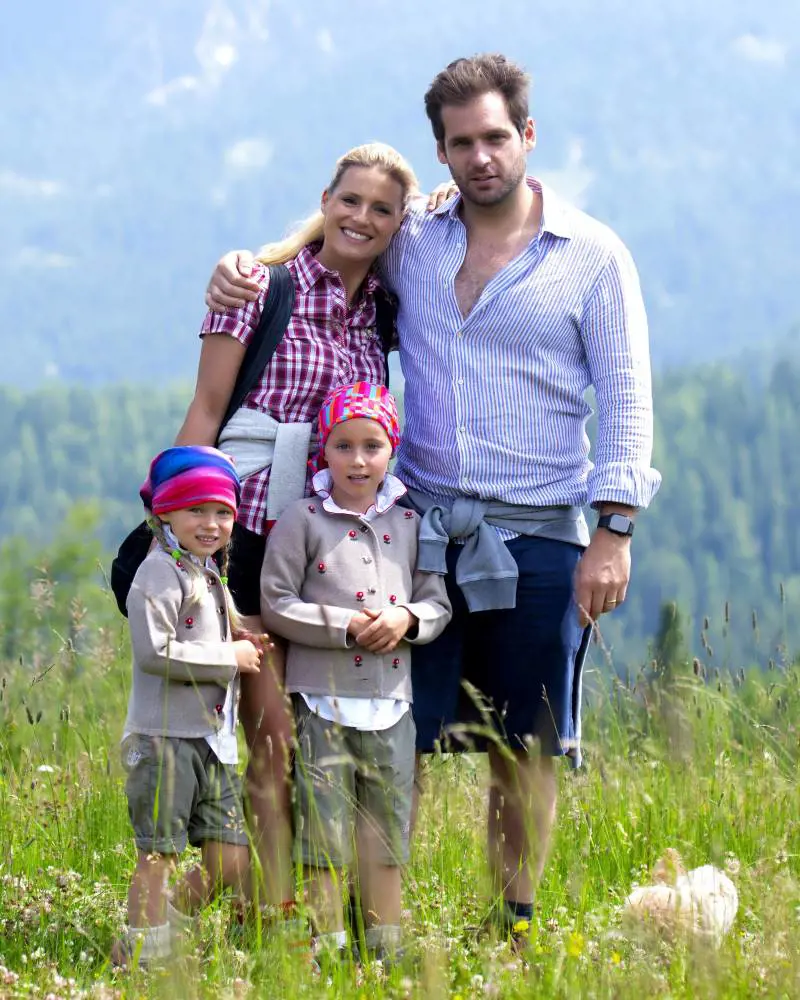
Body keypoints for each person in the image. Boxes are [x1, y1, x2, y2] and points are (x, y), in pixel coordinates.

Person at [204, 53, 661, 944]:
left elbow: (629, 397)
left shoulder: (595, 256)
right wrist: (243, 266)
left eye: (497, 136)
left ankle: (514, 920)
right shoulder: (417, 235)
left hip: (541, 533)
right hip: (412, 529)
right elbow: (343, 231)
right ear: (443, 154)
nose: (482, 155)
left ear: (528, 136)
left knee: (523, 745)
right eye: (462, 143)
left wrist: (615, 531)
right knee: (382, 732)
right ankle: (363, 923)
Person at [174, 142, 420, 921]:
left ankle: (310, 907)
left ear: (396, 225)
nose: (362, 218)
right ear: (325, 199)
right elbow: (205, 419)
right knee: (273, 738)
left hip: (330, 548)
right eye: (350, 201)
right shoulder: (261, 287)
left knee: (328, 742)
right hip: (247, 531)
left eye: (382, 209)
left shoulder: (380, 310)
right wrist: (188, 557)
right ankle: (279, 918)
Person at [259, 382, 451, 964]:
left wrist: (406, 618)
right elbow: (276, 601)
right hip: (323, 701)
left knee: (386, 827)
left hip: (392, 701)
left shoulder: (413, 522)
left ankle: (384, 945)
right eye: (344, 446)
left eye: (372, 445)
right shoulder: (303, 520)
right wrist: (342, 625)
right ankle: (326, 947)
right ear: (325, 451)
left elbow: (437, 602)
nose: (359, 460)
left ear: (391, 449)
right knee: (322, 827)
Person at [114, 446, 262, 966]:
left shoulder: (206, 572)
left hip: (211, 741)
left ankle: (155, 930)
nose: (211, 522)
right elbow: (155, 653)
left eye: (222, 512)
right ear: (165, 514)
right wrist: (231, 656)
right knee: (158, 853)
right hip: (164, 738)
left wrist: (240, 635)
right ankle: (143, 956)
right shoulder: (158, 573)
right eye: (196, 509)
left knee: (231, 859)